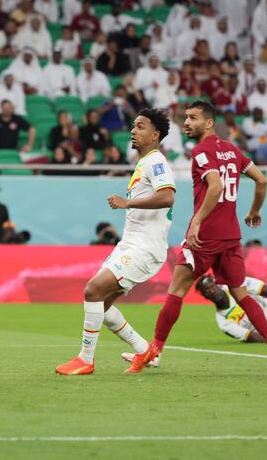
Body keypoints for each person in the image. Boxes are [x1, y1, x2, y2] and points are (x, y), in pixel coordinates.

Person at [128, 100, 267, 373]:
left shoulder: (202, 151)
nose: (187, 122)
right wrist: (253, 211)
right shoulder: (233, 150)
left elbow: (215, 187)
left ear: (209, 123)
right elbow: (262, 180)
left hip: (205, 236)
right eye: (186, 117)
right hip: (231, 237)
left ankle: (154, 353)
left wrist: (197, 222)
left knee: (176, 291)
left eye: (193, 118)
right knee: (242, 294)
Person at [55, 108, 176, 376]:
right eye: (133, 126)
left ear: (155, 135)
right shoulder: (144, 163)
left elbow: (167, 197)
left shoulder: (156, 162)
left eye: (141, 126)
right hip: (130, 244)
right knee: (102, 305)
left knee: (92, 291)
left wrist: (127, 202)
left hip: (144, 247)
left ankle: (86, 359)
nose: (133, 130)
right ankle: (144, 349)